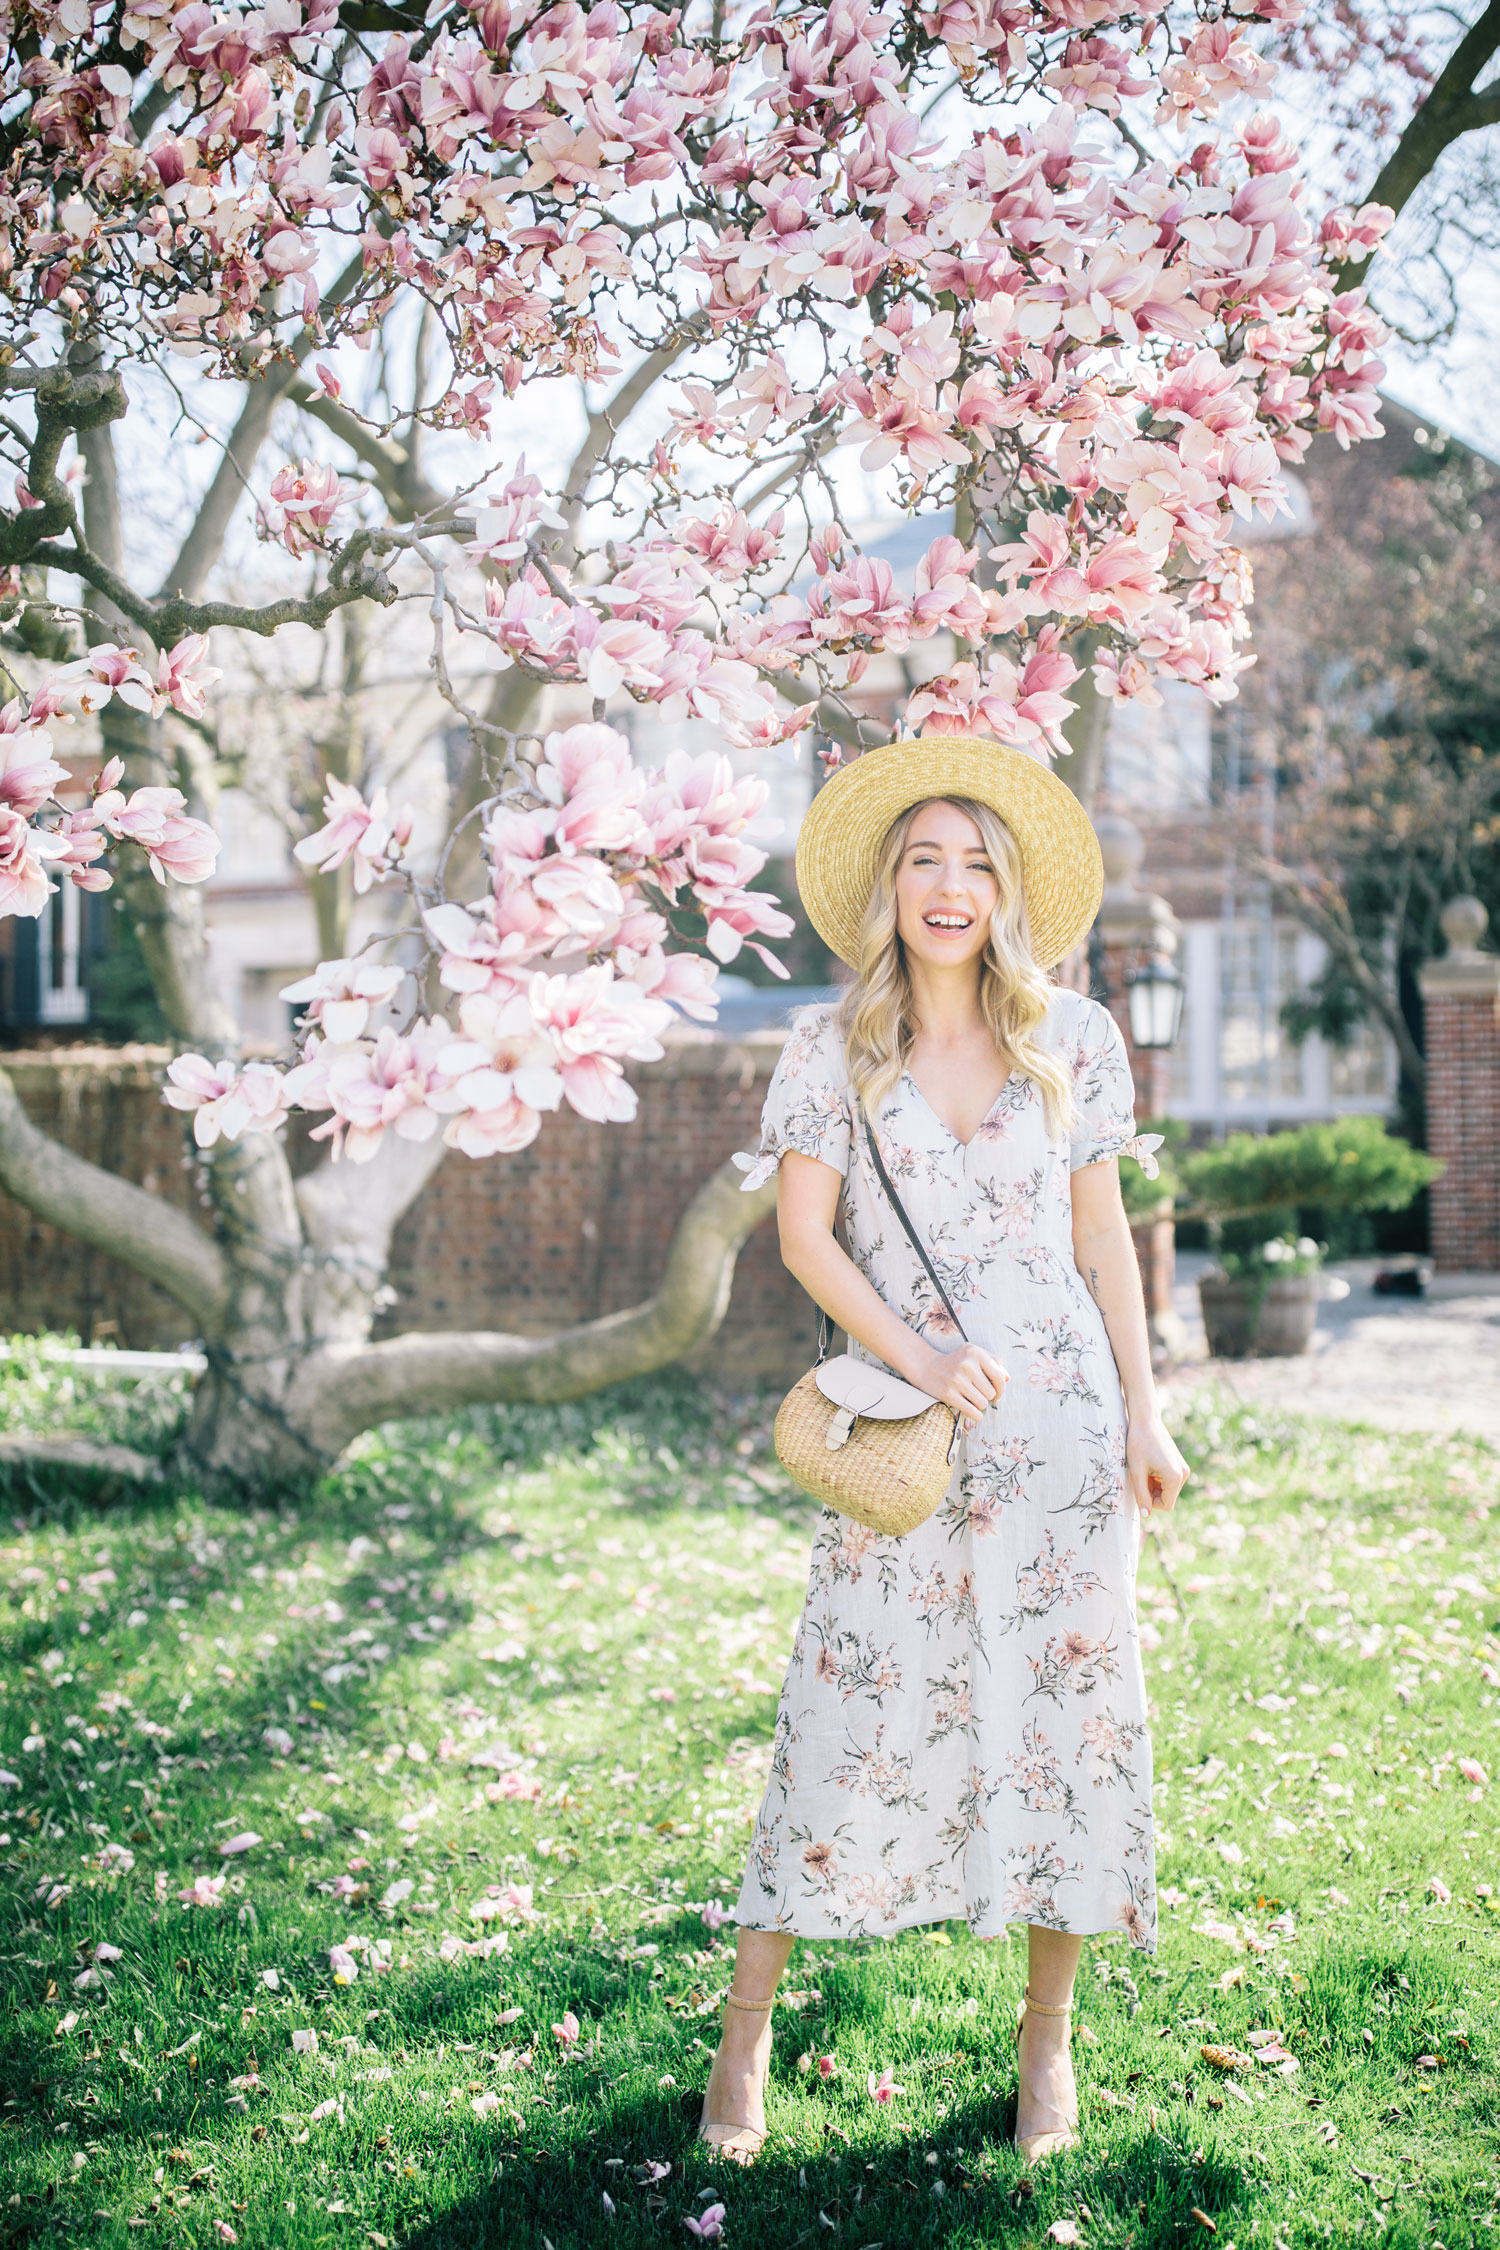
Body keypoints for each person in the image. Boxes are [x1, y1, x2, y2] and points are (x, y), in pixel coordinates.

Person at [699, 734, 1190, 2166]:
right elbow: (804, 1236)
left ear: (1010, 889)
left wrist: (1146, 1412)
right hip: (903, 1433)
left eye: (978, 861)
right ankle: (745, 2026)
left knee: (1063, 1725)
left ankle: (1048, 2039)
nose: (951, 885)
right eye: (925, 858)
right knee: (837, 1715)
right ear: (887, 886)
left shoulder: (1076, 1039)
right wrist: (919, 1359)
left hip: (1061, 1435)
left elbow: (1102, 1236)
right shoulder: (831, 1049)